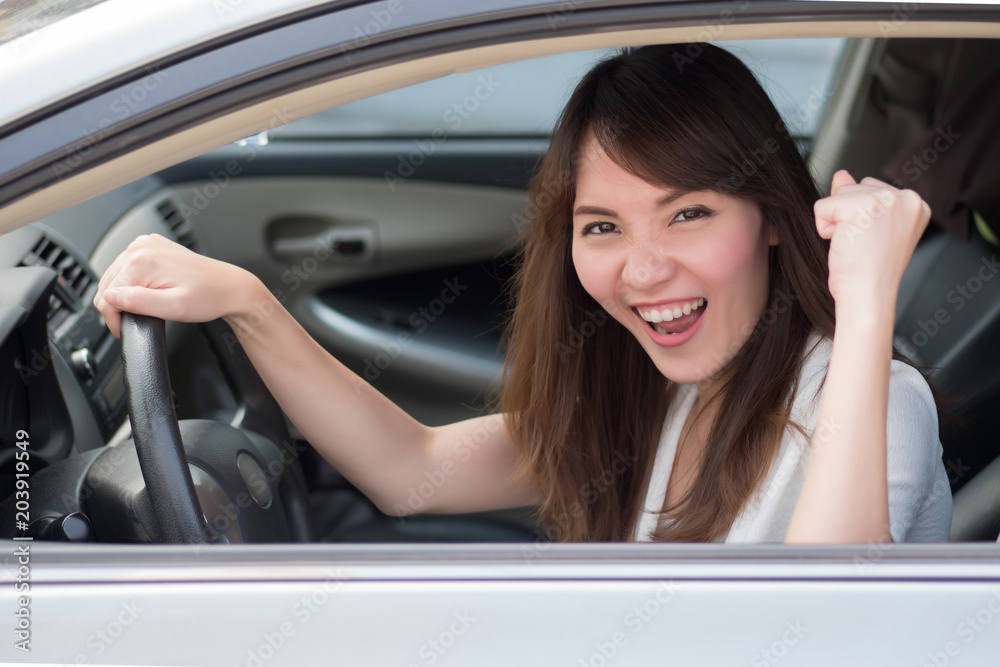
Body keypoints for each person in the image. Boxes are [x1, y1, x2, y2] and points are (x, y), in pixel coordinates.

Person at [94, 43, 952, 544]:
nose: (643, 270)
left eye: (688, 214)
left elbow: (826, 630)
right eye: (603, 227)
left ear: (771, 217)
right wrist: (248, 301)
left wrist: (869, 302)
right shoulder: (657, 391)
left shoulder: (875, 397)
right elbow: (413, 474)